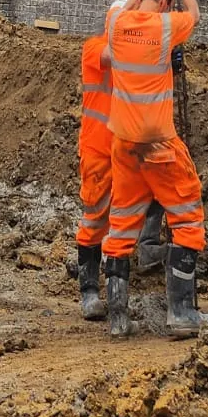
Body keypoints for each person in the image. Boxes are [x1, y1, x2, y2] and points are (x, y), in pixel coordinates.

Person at [101, 0, 208, 339]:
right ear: (166, 0)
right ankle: (182, 314)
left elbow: (124, 7)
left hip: (124, 144)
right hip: (159, 146)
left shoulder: (116, 22)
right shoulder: (168, 26)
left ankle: (118, 319)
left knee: (121, 225)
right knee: (187, 218)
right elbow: (195, 14)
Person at [74, 29, 113, 320]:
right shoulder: (94, 48)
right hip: (98, 150)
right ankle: (89, 290)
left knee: (125, 222)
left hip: (130, 149)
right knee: (94, 220)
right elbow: (114, 56)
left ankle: (118, 288)